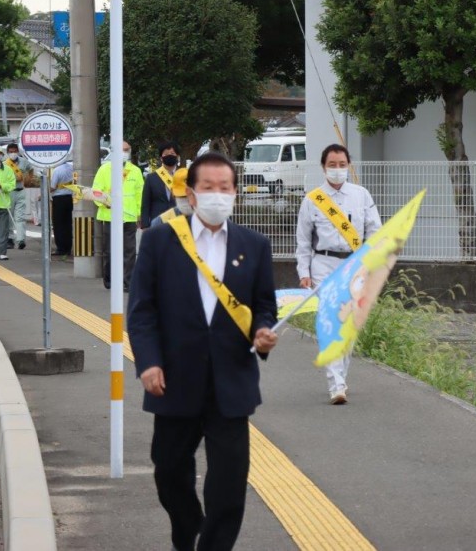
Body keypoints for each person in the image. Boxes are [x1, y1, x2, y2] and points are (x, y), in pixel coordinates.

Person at [127, 151, 278, 551]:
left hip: (232, 380)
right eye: (208, 188)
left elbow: (264, 305)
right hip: (174, 379)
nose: (217, 195)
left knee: (229, 483)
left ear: (235, 194)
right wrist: (148, 362)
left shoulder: (254, 245)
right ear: (190, 195)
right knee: (170, 472)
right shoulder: (161, 240)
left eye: (224, 188)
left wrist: (263, 331)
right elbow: (142, 310)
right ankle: (187, 527)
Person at [296, 143, 381, 404]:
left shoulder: (361, 194)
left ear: (348, 166)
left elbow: (374, 230)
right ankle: (336, 384)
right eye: (332, 165)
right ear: (323, 167)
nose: (337, 169)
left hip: (354, 266)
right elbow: (303, 241)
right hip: (323, 265)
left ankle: (340, 376)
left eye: (342, 164)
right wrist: (304, 272)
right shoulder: (312, 200)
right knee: (330, 322)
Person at [92, 140, 144, 290]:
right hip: (110, 216)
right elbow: (96, 192)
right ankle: (109, 281)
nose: (124, 153)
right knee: (109, 250)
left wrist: (140, 214)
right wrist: (104, 203)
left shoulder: (135, 170)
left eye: (127, 150)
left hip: (129, 216)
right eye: (122, 150)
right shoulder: (105, 169)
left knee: (129, 251)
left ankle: (128, 282)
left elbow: (139, 194)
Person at [140, 141, 180, 228]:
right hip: (157, 223)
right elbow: (145, 204)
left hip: (179, 223)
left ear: (177, 156)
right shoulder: (151, 178)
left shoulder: (184, 176)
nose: (169, 156)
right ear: (161, 158)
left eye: (172, 153)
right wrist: (145, 225)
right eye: (166, 154)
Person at [5, 143, 34, 250]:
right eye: (11, 151)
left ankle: (21, 239)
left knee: (20, 217)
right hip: (9, 192)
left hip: (21, 191)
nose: (13, 153)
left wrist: (28, 179)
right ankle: (9, 239)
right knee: (9, 216)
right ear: (8, 153)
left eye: (15, 151)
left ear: (18, 152)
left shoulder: (24, 162)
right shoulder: (5, 164)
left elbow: (31, 170)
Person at [50, 160, 75, 257]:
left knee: (58, 224)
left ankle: (61, 248)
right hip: (70, 198)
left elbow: (53, 187)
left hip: (59, 199)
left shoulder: (57, 170)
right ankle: (68, 248)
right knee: (68, 224)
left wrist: (43, 192)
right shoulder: (71, 168)